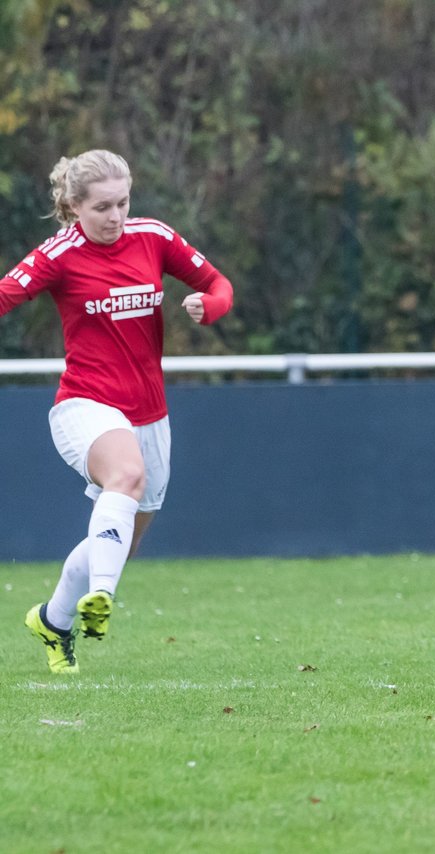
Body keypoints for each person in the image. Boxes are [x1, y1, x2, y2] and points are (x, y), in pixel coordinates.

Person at [2, 150, 234, 674]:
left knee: (119, 542)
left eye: (122, 202)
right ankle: (101, 603)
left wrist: (209, 307)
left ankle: (52, 620)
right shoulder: (58, 253)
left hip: (150, 413)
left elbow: (219, 286)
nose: (115, 216)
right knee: (125, 476)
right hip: (84, 404)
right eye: (102, 207)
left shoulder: (153, 237)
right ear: (74, 205)